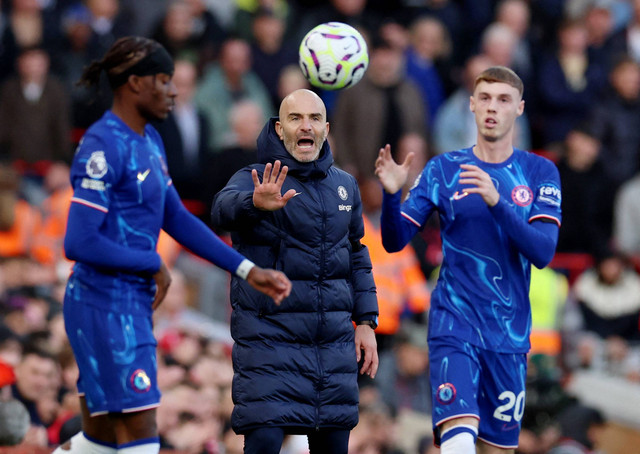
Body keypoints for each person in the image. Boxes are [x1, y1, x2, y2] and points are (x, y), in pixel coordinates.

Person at [53, 36, 291, 454]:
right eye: (162, 81)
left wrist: (246, 270)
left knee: (101, 439)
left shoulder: (150, 141)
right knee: (143, 431)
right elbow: (79, 239)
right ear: (133, 85)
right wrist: (150, 262)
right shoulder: (101, 144)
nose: (174, 90)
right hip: (103, 302)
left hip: (127, 301)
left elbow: (177, 217)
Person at [375, 66, 562, 454]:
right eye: (486, 98)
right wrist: (393, 196)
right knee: (458, 438)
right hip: (453, 324)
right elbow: (394, 241)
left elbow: (543, 252)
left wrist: (497, 201)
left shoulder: (539, 171)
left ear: (519, 109)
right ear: (473, 106)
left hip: (508, 337)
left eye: (504, 99)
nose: (493, 107)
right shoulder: (444, 170)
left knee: (496, 449)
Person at [211, 88, 379, 454]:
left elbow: (356, 255)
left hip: (331, 347)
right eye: (295, 118)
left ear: (326, 128)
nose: (306, 126)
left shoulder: (344, 185)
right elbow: (221, 210)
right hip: (270, 341)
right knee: (266, 441)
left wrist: (366, 322)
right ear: (280, 129)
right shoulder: (256, 177)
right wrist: (254, 203)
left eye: (315, 118)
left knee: (332, 443)